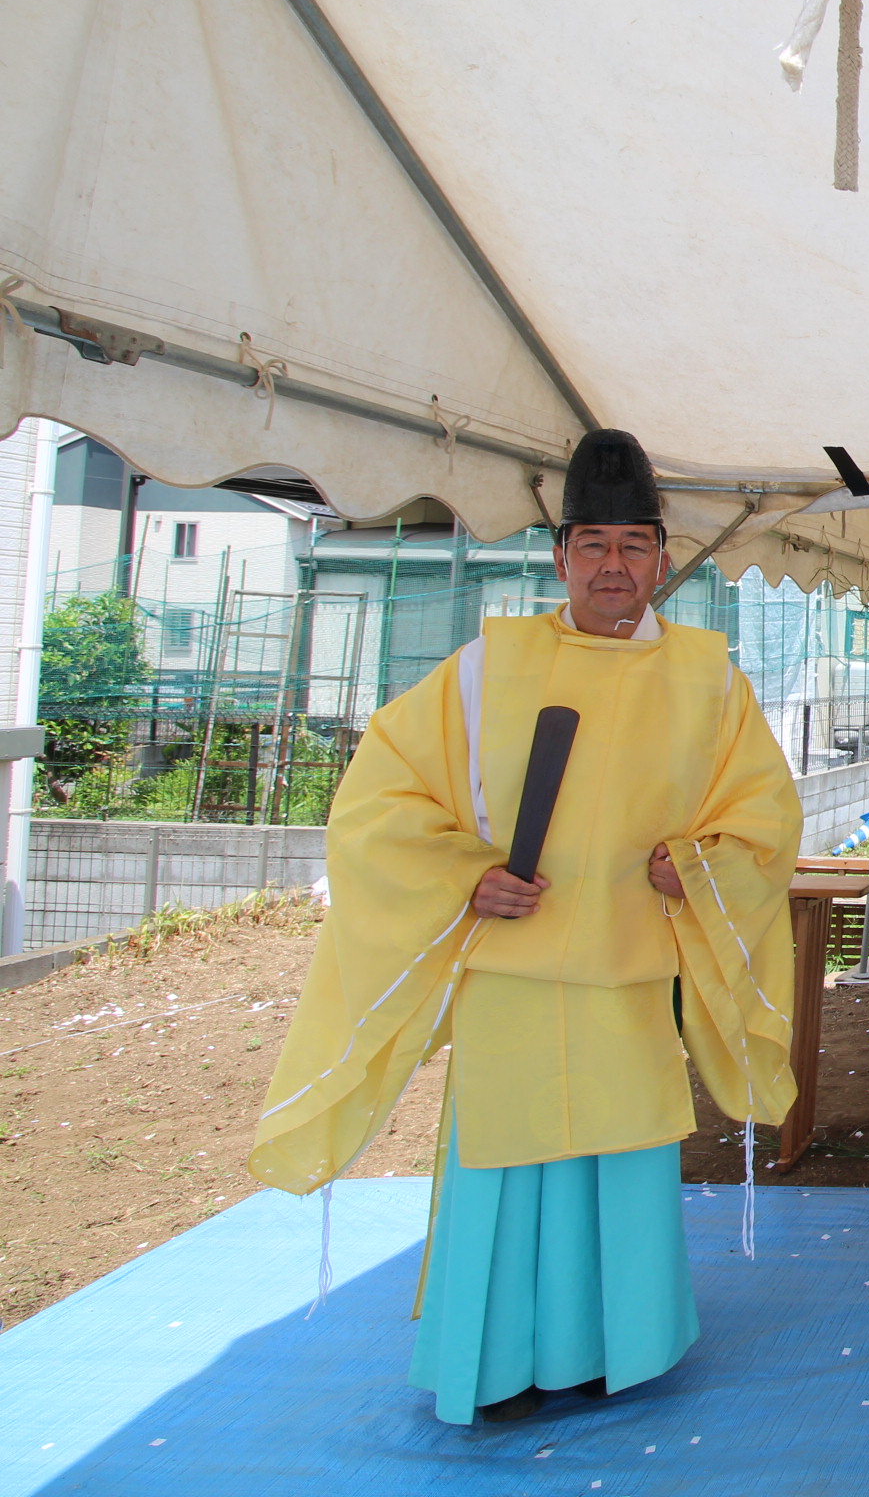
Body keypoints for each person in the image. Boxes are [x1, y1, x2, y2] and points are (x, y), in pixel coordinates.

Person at [249, 430, 799, 1425]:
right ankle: (496, 1365)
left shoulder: (710, 680)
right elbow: (377, 799)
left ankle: (618, 1354)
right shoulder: (483, 669)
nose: (614, 568)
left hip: (629, 981)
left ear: (663, 561)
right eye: (593, 545)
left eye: (635, 546)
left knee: (620, 1171)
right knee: (507, 1169)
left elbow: (763, 814)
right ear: (559, 557)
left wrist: (700, 865)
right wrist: (466, 876)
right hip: (512, 976)